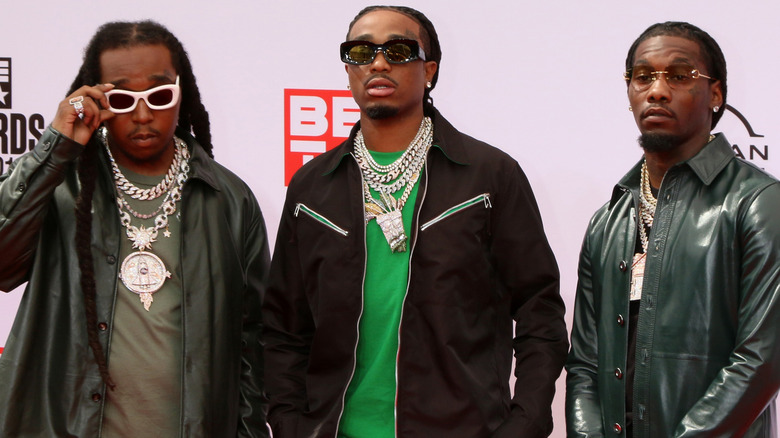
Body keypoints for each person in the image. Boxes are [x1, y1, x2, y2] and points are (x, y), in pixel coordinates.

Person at [263, 5, 568, 438]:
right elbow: (283, 327)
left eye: (399, 50)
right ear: (348, 70)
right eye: (361, 51)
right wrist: (290, 422)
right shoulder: (312, 187)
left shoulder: (488, 175)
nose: (379, 62)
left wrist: (526, 422)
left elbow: (540, 311)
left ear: (430, 70)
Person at [0, 20, 270, 437]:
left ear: (183, 95)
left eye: (160, 95)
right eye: (123, 98)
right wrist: (56, 147)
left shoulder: (230, 200)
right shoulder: (62, 186)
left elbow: (253, 342)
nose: (143, 114)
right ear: (96, 98)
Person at [566, 21, 779, 437]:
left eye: (679, 76)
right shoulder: (606, 220)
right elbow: (585, 363)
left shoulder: (758, 203)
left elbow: (763, 357)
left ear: (715, 95)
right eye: (643, 77)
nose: (657, 90)